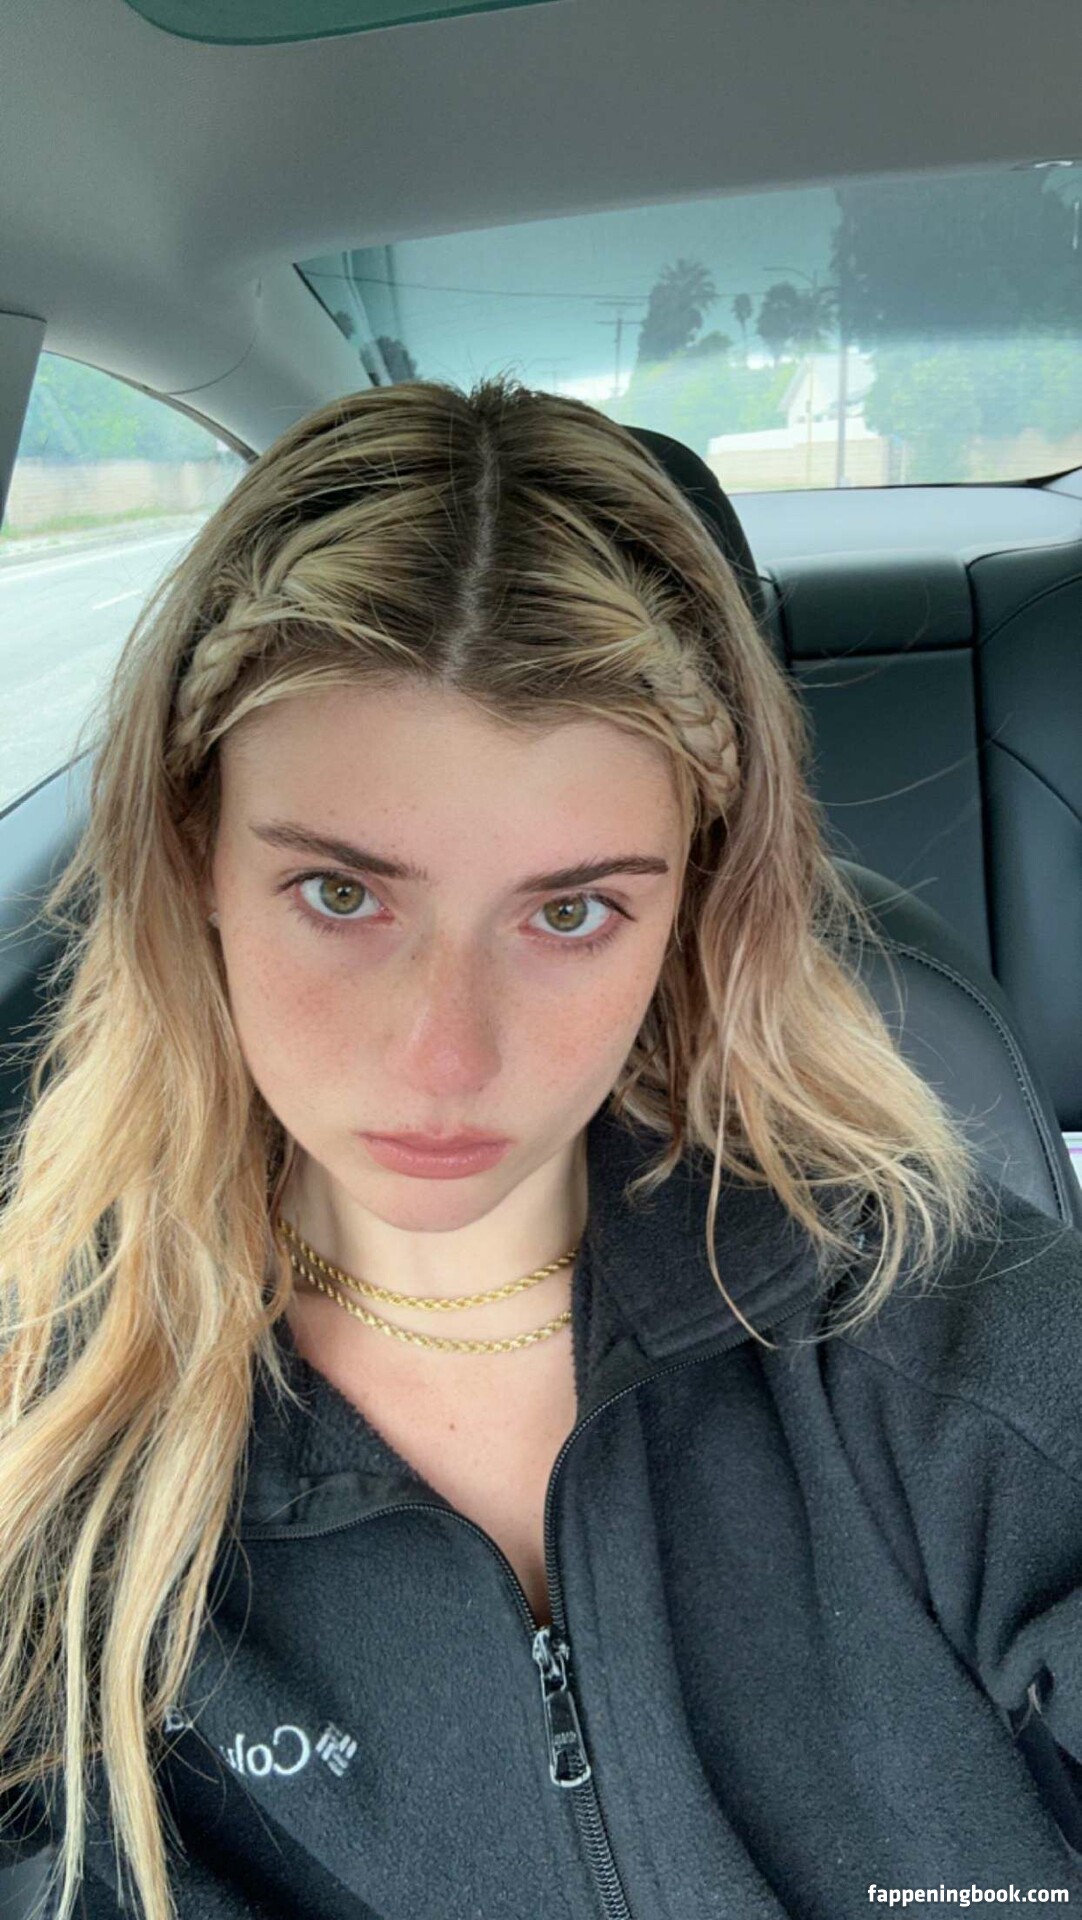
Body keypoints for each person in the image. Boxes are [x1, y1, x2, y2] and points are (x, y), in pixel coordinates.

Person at [1, 374, 1081, 1920]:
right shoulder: (44, 1431)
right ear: (193, 860)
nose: (446, 1058)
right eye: (341, 896)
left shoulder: (956, 1344)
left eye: (569, 912)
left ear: (690, 902)